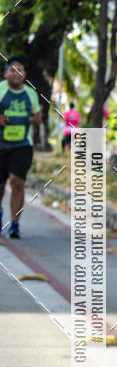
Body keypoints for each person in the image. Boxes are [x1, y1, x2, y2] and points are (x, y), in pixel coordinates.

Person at [0, 56, 42, 238]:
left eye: (20, 70)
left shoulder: (31, 94)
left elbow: (38, 117)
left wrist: (30, 118)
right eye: (12, 70)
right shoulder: (0, 90)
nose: (16, 74)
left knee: (18, 182)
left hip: (23, 145)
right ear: (5, 73)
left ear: (24, 74)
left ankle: (15, 224)